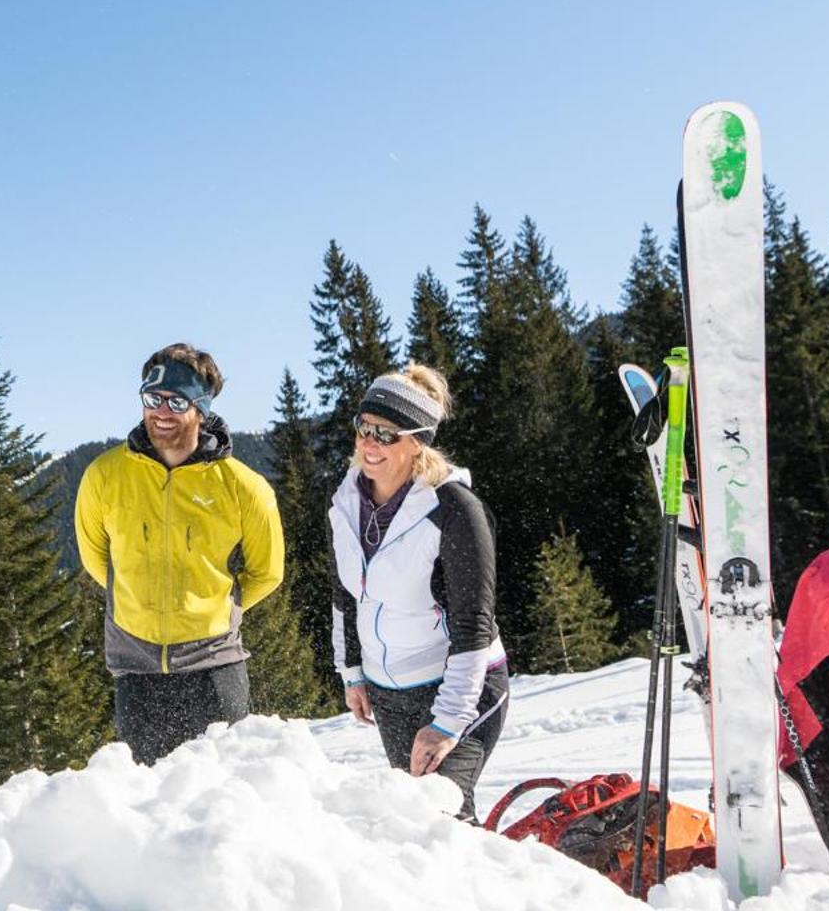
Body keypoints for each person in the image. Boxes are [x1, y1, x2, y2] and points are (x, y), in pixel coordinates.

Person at [74, 344, 284, 764]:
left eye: (176, 401)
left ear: (201, 409)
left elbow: (267, 572)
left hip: (214, 668)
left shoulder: (244, 487)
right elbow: (97, 559)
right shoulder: (104, 475)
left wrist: (217, 610)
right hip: (136, 672)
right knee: (148, 808)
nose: (162, 412)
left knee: (224, 800)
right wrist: (136, 604)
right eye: (153, 399)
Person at [329, 365, 507, 821]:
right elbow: (346, 595)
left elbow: (473, 625)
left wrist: (447, 722)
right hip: (389, 695)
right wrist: (353, 672)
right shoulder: (344, 503)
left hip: (463, 687)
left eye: (387, 434)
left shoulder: (454, 511)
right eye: (364, 428)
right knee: (415, 822)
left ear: (418, 441)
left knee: (440, 816)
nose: (369, 443)